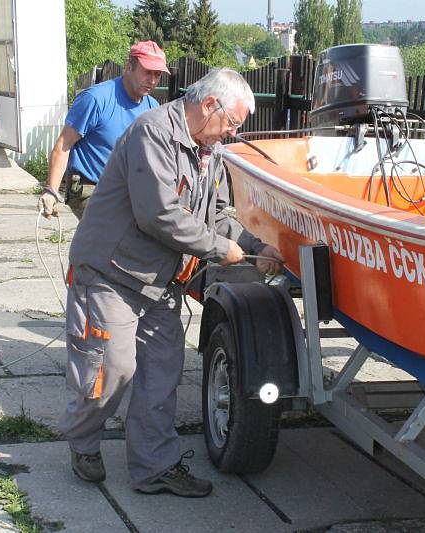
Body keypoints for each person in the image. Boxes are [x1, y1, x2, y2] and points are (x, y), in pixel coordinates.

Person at [60, 68, 285, 498]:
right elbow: (158, 214)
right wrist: (219, 249)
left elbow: (217, 216)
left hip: (157, 283)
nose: (231, 134)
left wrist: (256, 247)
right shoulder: (153, 133)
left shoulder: (209, 149)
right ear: (208, 106)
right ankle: (82, 439)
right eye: (232, 124)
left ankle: (154, 467)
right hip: (109, 274)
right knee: (113, 370)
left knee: (163, 374)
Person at [38, 41, 168, 220]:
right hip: (91, 188)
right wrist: (51, 190)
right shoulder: (96, 99)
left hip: (128, 190)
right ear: (129, 66)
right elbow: (64, 143)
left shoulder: (152, 108)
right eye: (147, 72)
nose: (152, 80)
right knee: (113, 235)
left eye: (157, 75)